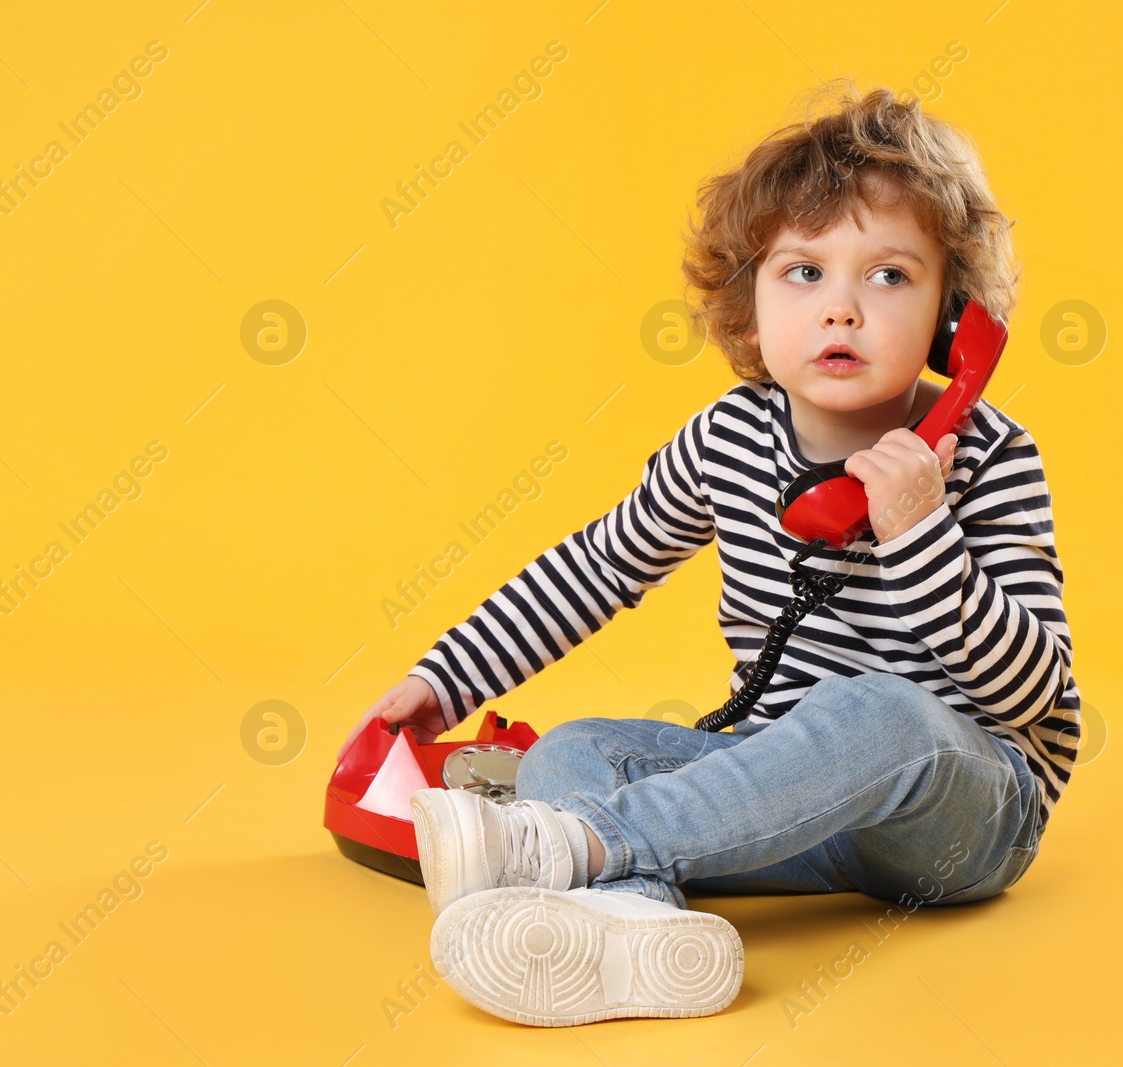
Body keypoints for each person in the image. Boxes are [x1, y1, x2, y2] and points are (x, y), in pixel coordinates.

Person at [338, 79, 1080, 1028]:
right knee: (576, 746)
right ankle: (636, 927)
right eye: (803, 273)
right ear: (749, 307)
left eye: (888, 276)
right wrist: (444, 681)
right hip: (778, 796)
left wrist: (920, 533)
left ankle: (562, 850)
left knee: (879, 709)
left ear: (953, 319)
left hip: (958, 815)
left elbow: (1034, 694)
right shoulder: (728, 437)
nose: (841, 309)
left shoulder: (987, 453)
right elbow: (599, 567)